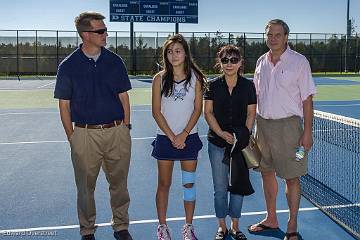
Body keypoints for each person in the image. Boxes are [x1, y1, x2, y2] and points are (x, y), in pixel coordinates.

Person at [54, 12, 133, 240]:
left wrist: (125, 128)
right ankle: (87, 230)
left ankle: (121, 226)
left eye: (105, 30)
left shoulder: (115, 61)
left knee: (119, 184)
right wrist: (73, 137)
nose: (105, 34)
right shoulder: (68, 66)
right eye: (101, 31)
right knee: (85, 188)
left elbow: (124, 98)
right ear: (86, 34)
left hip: (117, 133)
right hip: (85, 135)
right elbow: (64, 106)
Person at [247, 19, 316, 240]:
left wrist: (307, 132)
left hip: (290, 129)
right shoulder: (260, 62)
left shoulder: (299, 62)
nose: (273, 38)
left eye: (277, 35)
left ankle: (292, 224)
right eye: (269, 35)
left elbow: (307, 99)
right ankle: (271, 218)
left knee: (292, 177)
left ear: (286, 37)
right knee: (266, 173)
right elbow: (255, 97)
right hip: (262, 126)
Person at [151, 34, 207, 240]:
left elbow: (197, 109)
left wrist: (183, 135)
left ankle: (188, 226)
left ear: (185, 53)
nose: (173, 55)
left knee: (188, 184)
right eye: (169, 51)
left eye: (177, 51)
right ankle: (163, 227)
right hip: (166, 139)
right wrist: (172, 136)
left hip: (189, 139)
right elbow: (156, 111)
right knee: (164, 184)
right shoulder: (159, 79)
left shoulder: (196, 78)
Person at [204, 45, 257, 240]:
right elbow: (207, 112)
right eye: (225, 60)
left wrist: (242, 135)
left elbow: (251, 113)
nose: (229, 64)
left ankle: (235, 226)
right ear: (220, 62)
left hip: (239, 145)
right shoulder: (212, 85)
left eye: (233, 60)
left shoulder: (248, 86)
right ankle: (222, 227)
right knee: (220, 188)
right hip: (217, 143)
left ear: (240, 62)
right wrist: (221, 133)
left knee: (237, 185)